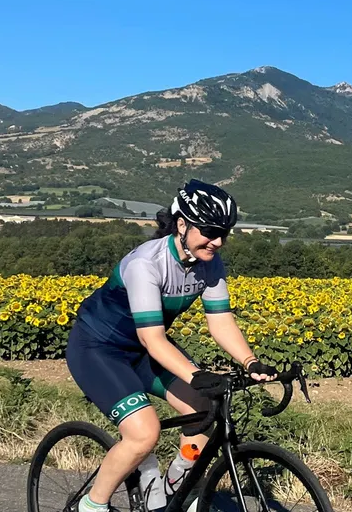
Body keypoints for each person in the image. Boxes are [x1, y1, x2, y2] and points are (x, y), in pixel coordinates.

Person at [66, 179, 278, 512]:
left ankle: (174, 493)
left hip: (143, 351)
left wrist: (250, 362)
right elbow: (152, 339)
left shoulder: (209, 263)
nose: (218, 241)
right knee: (144, 434)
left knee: (203, 409)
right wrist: (196, 374)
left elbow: (221, 322)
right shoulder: (146, 264)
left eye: (224, 233)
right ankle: (91, 506)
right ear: (182, 225)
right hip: (98, 349)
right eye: (210, 231)